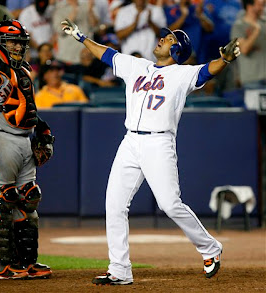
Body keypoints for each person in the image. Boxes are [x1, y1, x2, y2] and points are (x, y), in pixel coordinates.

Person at [61, 18, 240, 284]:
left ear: (178, 50)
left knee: (170, 204)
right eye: (165, 36)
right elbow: (107, 55)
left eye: (169, 39)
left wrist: (224, 60)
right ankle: (120, 270)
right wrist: (81, 37)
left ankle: (210, 247)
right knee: (114, 204)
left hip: (159, 142)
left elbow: (206, 72)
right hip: (130, 141)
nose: (162, 39)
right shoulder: (137, 66)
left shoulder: (182, 74)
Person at [0, 17, 54, 280]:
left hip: (23, 138)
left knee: (28, 199)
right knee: (3, 200)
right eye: (13, 41)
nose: (18, 46)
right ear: (0, 43)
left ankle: (27, 261)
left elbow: (28, 108)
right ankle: (2, 265)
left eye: (21, 42)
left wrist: (42, 130)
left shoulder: (25, 69)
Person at [231, 0, 266, 87]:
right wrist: (256, 31)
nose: (263, 8)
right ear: (250, 6)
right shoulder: (238, 26)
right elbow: (244, 49)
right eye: (260, 5)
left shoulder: (264, 23)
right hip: (252, 79)